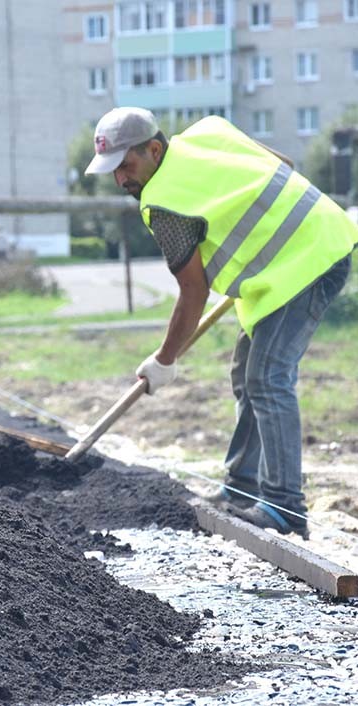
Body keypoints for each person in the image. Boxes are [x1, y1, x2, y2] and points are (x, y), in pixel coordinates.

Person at [85, 107, 358, 540]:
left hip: (307, 265)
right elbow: (282, 164)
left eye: (126, 165)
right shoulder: (210, 131)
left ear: (154, 150)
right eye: (113, 170)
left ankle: (285, 506)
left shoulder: (164, 205)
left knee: (268, 377)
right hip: (304, 252)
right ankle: (240, 487)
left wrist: (164, 360)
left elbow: (193, 292)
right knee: (247, 375)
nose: (121, 180)